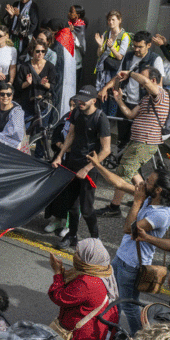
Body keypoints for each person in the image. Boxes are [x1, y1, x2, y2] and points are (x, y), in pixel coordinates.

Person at [86, 154, 170, 335]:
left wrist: (136, 201)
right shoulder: (149, 198)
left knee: (128, 305)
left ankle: (137, 339)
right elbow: (119, 184)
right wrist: (97, 165)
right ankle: (114, 331)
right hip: (122, 257)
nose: (144, 183)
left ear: (158, 190)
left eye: (149, 181)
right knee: (113, 295)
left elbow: (129, 229)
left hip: (132, 264)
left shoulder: (161, 215)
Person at [96, 67, 169, 217]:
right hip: (138, 142)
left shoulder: (159, 94)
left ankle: (115, 207)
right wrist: (119, 100)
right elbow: (130, 114)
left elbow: (144, 81)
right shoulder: (147, 98)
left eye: (143, 78)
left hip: (144, 142)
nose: (140, 82)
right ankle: (147, 199)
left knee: (123, 173)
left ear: (153, 81)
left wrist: (129, 74)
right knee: (131, 171)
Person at [48, 239, 120, 340]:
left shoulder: (87, 282)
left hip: (82, 335)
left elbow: (59, 296)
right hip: (96, 328)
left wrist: (57, 273)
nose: (75, 256)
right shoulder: (101, 269)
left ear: (89, 259)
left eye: (78, 254)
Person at [47, 85, 111, 249]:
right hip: (72, 163)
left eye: (83, 100)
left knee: (87, 209)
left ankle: (96, 240)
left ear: (93, 101)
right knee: (72, 206)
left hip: (89, 168)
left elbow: (106, 150)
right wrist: (60, 156)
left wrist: (87, 168)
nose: (79, 102)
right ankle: (72, 236)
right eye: (77, 99)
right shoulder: (76, 112)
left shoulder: (100, 118)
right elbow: (71, 134)